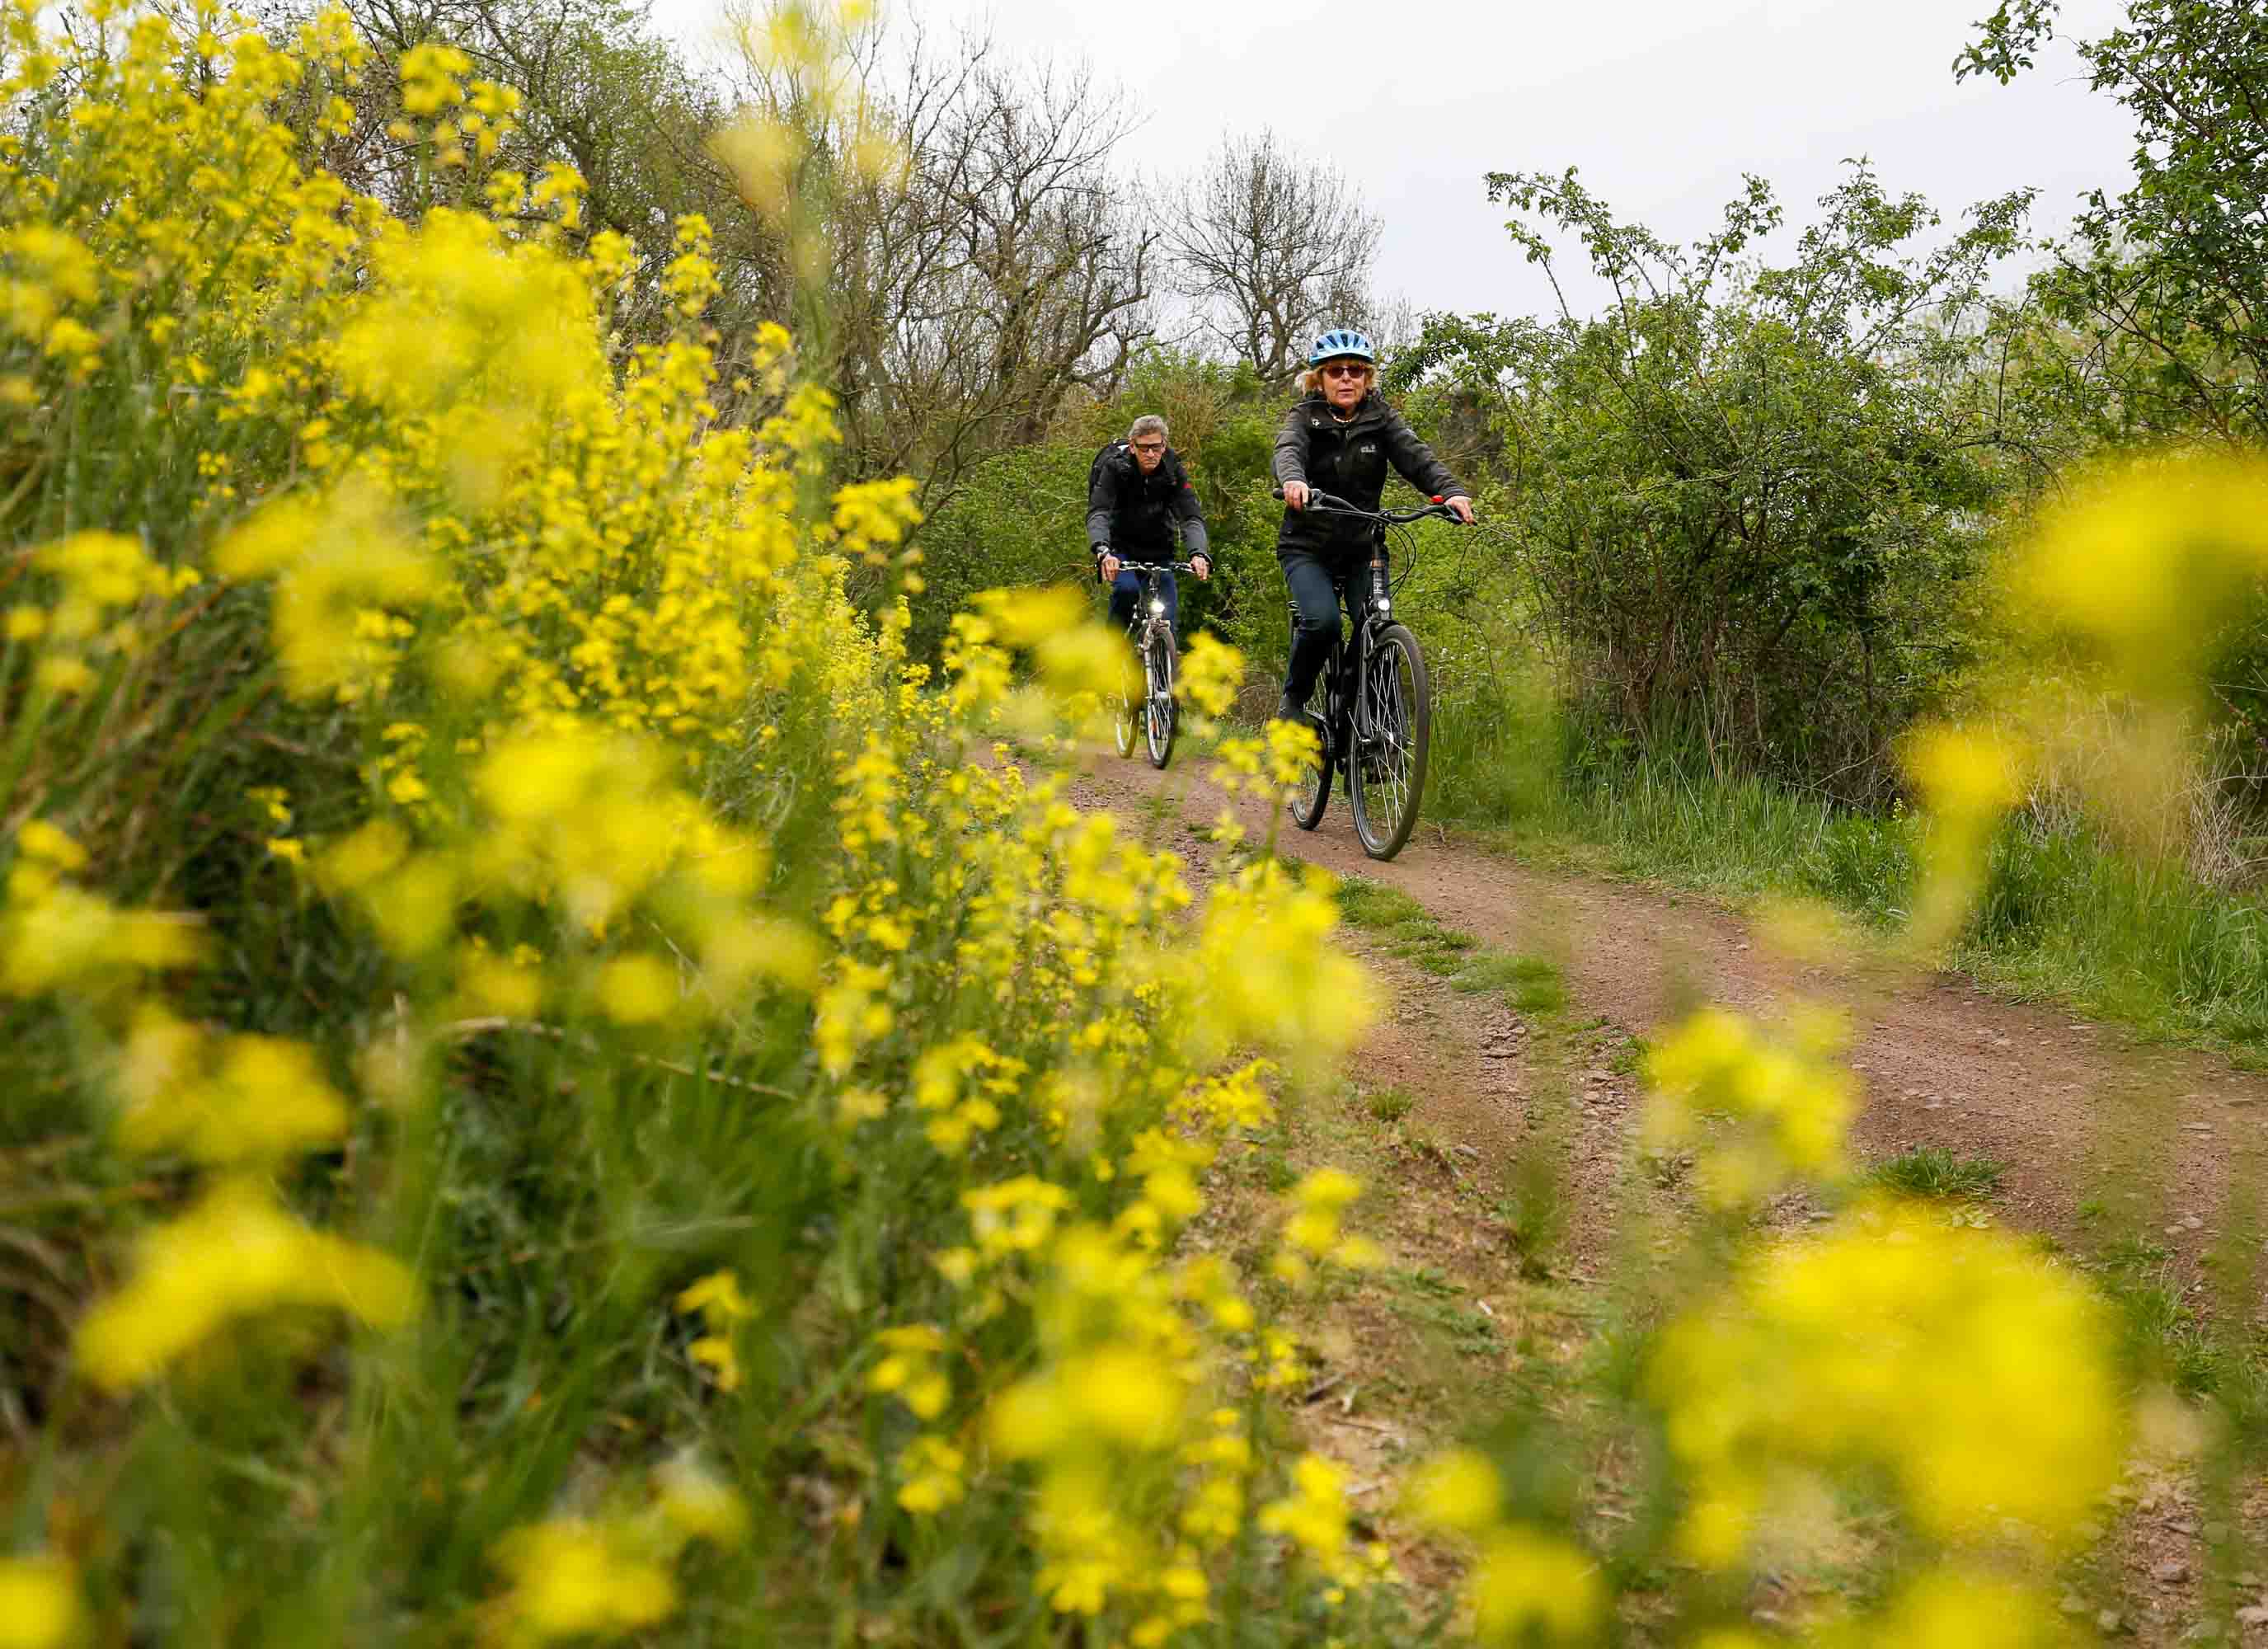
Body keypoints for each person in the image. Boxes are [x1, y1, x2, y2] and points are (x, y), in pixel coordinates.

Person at [1272, 328, 1474, 722]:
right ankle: (1293, 704)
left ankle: (1385, 735)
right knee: (1323, 623)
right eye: (1335, 371)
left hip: (1363, 548)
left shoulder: (1381, 418)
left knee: (1376, 627)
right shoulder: (1304, 417)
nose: (1346, 378)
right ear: (1319, 379)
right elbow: (1288, 450)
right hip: (1307, 545)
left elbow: (1418, 457)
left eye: (1355, 371)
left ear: (1367, 378)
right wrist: (1292, 481)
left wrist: (1450, 492)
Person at [1089, 414, 1211, 633]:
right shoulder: (1115, 468)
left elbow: (1190, 516)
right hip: (1120, 549)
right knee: (1127, 591)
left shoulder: (1173, 470)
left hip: (1159, 550)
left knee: (1168, 620)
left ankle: (1163, 663)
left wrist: (1199, 553)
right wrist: (1103, 551)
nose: (1151, 454)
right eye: (1144, 448)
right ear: (1133, 446)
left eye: (1156, 447)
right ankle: (1112, 655)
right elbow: (1099, 512)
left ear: (1164, 445)